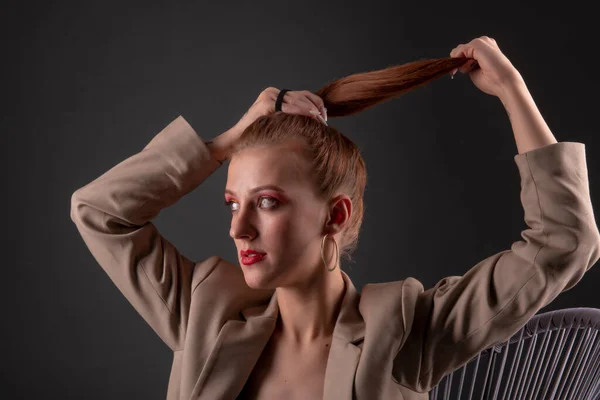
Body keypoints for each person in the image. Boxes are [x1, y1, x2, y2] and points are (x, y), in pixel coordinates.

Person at [70, 36, 600, 399]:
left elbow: (564, 242)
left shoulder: (405, 330)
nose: (238, 228)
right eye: (233, 202)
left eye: (268, 201)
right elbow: (99, 212)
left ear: (335, 215)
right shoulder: (207, 310)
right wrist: (227, 142)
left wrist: (511, 89)